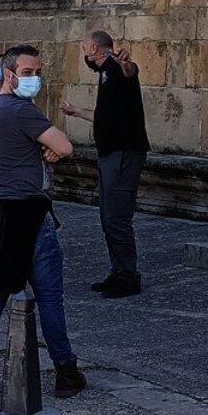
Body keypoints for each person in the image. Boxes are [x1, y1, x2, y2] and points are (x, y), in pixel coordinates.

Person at [0, 44, 86, 401]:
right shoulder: (20, 110)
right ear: (9, 74)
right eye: (28, 73)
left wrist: (42, 149)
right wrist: (51, 146)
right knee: (49, 298)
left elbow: (40, 149)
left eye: (38, 72)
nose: (35, 79)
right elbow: (65, 145)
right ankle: (65, 371)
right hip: (29, 214)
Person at [62, 30, 151, 298]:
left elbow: (130, 70)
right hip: (109, 153)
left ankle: (128, 276)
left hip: (123, 154)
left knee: (117, 216)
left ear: (94, 47)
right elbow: (104, 116)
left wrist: (127, 62)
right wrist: (76, 112)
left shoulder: (115, 67)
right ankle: (118, 270)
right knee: (107, 216)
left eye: (84, 49)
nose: (84, 55)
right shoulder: (103, 76)